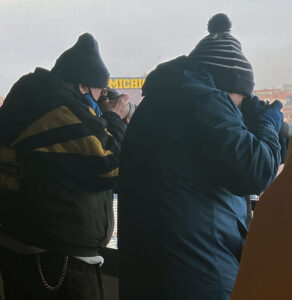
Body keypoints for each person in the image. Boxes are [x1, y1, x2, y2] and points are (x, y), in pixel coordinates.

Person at [118, 14, 284, 300]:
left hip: (150, 275)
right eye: (241, 101)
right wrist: (268, 124)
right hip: (196, 278)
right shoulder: (204, 101)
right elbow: (258, 170)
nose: (240, 111)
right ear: (227, 87)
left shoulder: (159, 101)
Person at [0, 33, 128, 300]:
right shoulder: (59, 107)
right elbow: (111, 166)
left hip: (26, 245)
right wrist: (114, 116)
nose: (102, 97)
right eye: (99, 91)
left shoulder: (31, 97)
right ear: (82, 85)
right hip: (56, 259)